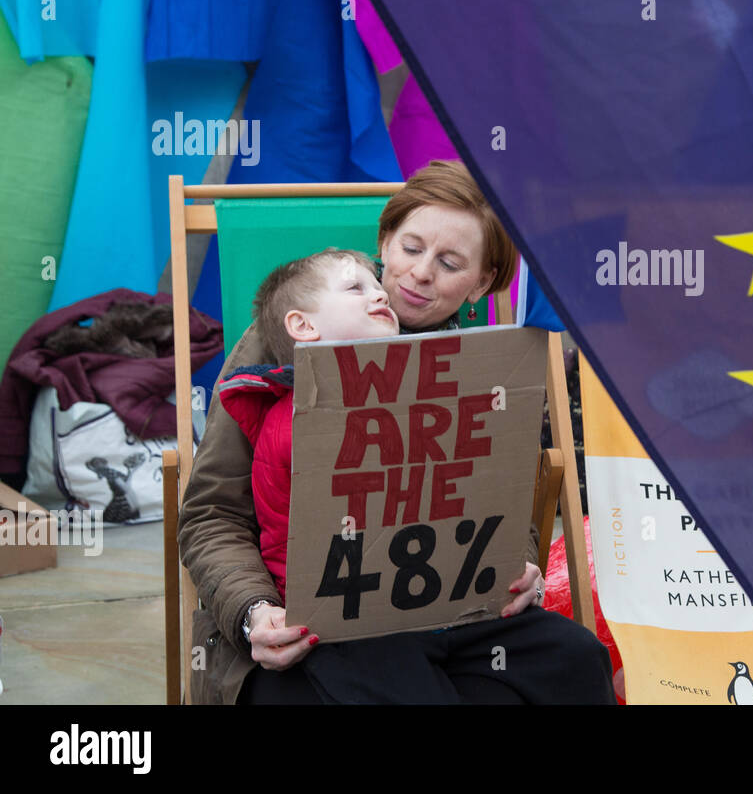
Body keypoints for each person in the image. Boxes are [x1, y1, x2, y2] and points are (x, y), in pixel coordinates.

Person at [179, 161, 615, 704]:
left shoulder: (488, 365)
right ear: (384, 242)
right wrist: (253, 612)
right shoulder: (293, 337)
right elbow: (211, 513)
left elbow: (500, 504)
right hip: (319, 628)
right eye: (411, 249)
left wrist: (519, 563)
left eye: (450, 262)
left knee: (572, 658)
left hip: (455, 617)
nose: (421, 273)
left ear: (480, 282)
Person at [217, 248, 400, 602]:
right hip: (329, 603)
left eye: (379, 289)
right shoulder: (296, 422)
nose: (381, 295)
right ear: (304, 325)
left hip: (398, 584)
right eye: (355, 289)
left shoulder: (403, 399)